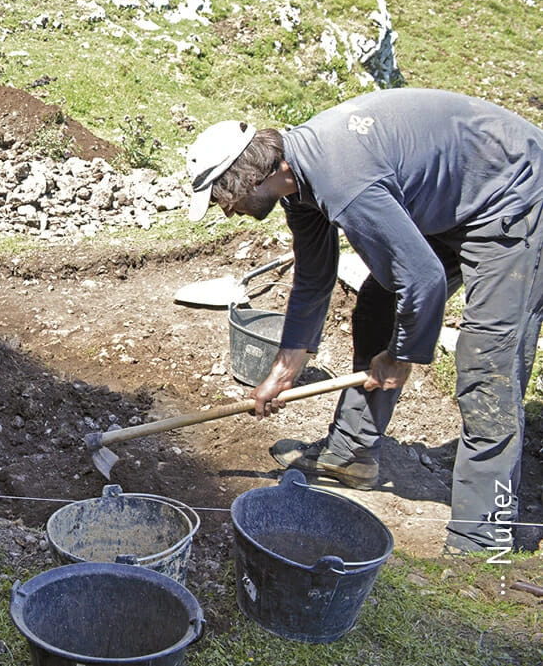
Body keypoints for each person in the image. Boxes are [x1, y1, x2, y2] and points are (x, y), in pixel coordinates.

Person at [186, 88, 543, 553]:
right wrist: (284, 370)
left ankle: (484, 535)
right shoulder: (297, 181)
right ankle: (351, 454)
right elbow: (314, 279)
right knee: (378, 300)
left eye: (221, 197)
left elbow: (425, 280)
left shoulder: (341, 180)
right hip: (455, 199)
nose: (225, 209)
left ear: (246, 178)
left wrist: (400, 356)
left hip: (516, 195)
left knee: (487, 365)